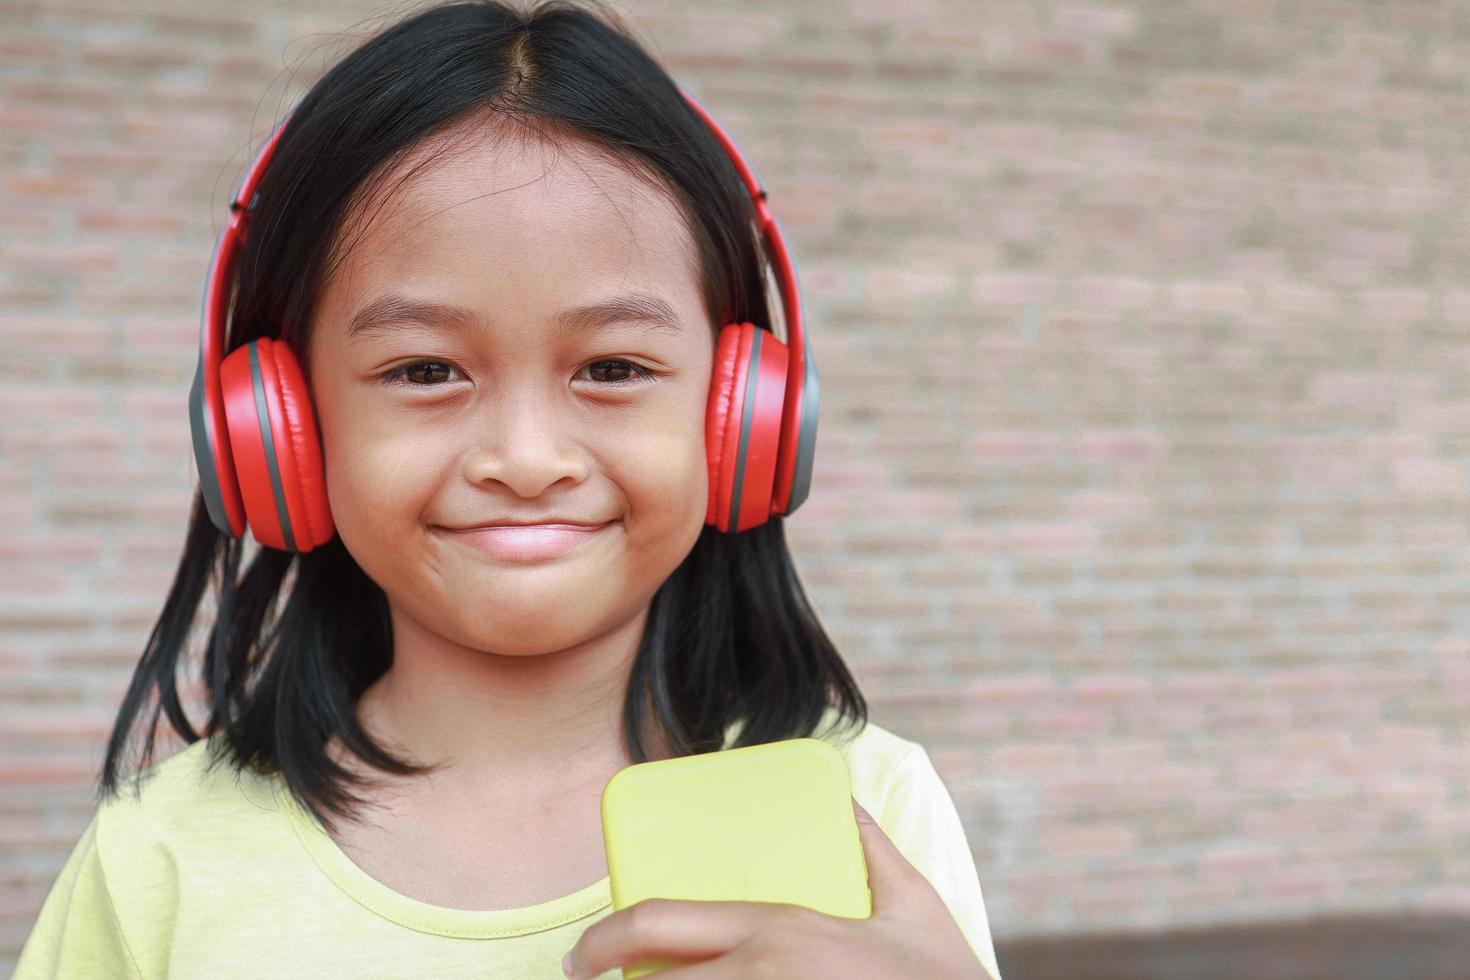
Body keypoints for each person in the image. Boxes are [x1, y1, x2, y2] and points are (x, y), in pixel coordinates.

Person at [13, 2, 1002, 977]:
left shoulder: (868, 814)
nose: (526, 459)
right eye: (424, 369)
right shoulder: (159, 862)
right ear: (277, 427)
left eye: (613, 367)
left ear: (749, 416)